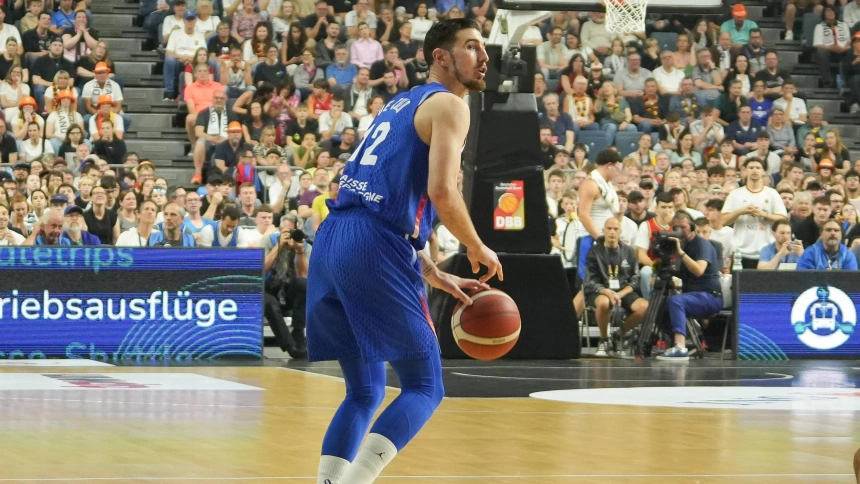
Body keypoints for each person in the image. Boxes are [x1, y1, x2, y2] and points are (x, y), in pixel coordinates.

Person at [305, 19, 502, 484]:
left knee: (365, 391)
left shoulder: (400, 102)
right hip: (374, 247)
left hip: (335, 239)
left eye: (483, 47)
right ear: (440, 56)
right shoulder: (450, 105)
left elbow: (384, 198)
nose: (483, 56)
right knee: (425, 387)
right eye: (470, 46)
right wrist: (476, 246)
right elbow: (441, 192)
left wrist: (434, 272)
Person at [658, 211, 723, 361]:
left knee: (676, 301)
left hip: (710, 296)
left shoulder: (701, 244)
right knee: (661, 310)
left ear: (692, 227)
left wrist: (680, 253)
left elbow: (699, 270)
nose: (680, 231)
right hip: (694, 295)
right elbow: (686, 274)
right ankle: (689, 341)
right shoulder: (683, 245)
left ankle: (680, 347)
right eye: (676, 228)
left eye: (683, 227)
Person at [583, 217, 648, 357]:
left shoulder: (629, 251)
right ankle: (604, 339)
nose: (612, 232)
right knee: (603, 303)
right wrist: (605, 291)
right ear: (603, 230)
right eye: (609, 228)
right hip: (601, 290)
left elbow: (636, 278)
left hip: (623, 290)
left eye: (615, 229)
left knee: (645, 307)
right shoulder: (594, 251)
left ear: (620, 232)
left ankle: (619, 335)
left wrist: (619, 294)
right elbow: (588, 280)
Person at [720, 158, 787, 268]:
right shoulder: (735, 194)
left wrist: (763, 214)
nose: (754, 170)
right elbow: (723, 221)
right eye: (751, 168)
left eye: (758, 168)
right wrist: (741, 211)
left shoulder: (772, 193)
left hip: (766, 252)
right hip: (740, 252)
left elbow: (783, 219)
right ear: (745, 171)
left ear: (763, 171)